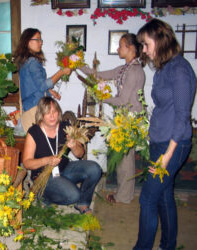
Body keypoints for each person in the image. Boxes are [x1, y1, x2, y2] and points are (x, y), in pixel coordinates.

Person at [133, 19, 196, 250]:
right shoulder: (165, 68)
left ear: (160, 41)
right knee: (163, 196)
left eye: (146, 44)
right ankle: (168, 245)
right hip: (160, 141)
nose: (145, 50)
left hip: (173, 145)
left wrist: (167, 156)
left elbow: (181, 118)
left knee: (147, 198)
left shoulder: (180, 70)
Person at [80, 33, 145, 204]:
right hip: (123, 118)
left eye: (121, 45)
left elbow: (123, 101)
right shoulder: (124, 69)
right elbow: (99, 75)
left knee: (125, 159)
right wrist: (79, 66)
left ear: (130, 48)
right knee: (122, 158)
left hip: (130, 119)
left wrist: (102, 96)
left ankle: (124, 197)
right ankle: (123, 194)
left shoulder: (135, 71)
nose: (118, 48)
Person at [23, 96, 102, 214]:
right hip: (44, 177)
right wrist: (47, 160)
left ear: (59, 112)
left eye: (54, 111)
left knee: (95, 169)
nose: (52, 116)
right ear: (41, 115)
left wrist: (74, 145)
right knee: (73, 195)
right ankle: (44, 196)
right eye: (47, 113)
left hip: (64, 170)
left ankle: (83, 203)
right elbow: (27, 163)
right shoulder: (34, 132)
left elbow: (80, 154)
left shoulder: (65, 127)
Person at [14, 28, 72, 132]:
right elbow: (42, 86)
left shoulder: (25, 61)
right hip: (35, 108)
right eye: (37, 39)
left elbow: (33, 86)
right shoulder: (32, 62)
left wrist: (49, 92)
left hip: (30, 106)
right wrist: (61, 72)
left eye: (41, 40)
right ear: (27, 41)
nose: (40, 43)